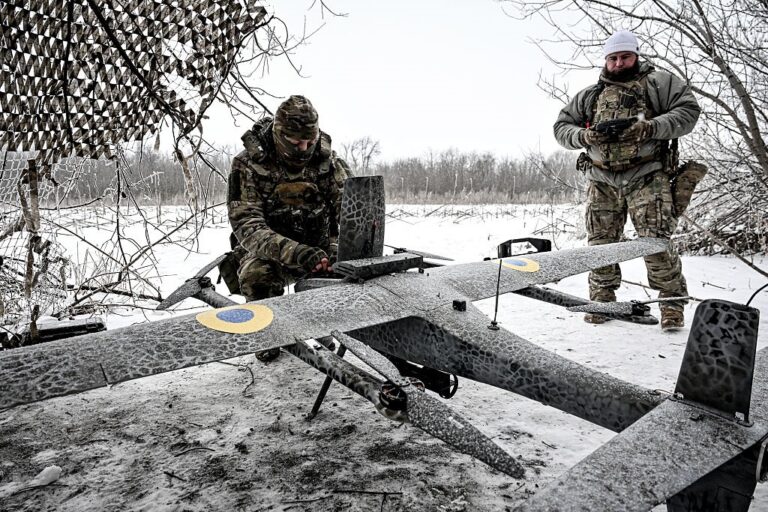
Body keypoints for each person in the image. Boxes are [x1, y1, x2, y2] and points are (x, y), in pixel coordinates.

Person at [553, 30, 701, 330]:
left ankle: (671, 306)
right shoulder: (590, 95)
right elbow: (561, 127)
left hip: (647, 175)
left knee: (655, 243)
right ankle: (602, 302)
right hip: (601, 180)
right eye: (613, 58)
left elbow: (688, 112)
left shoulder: (659, 83)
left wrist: (651, 127)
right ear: (606, 61)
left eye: (625, 56)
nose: (618, 63)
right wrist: (584, 135)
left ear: (636, 56)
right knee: (600, 245)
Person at [227, 95, 351, 358]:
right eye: (296, 143)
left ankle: (326, 329)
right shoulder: (248, 165)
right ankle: (268, 337)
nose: (304, 149)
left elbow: (350, 209)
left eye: (310, 142)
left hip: (320, 249)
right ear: (279, 134)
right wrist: (297, 253)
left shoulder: (328, 163)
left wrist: (338, 249)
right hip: (268, 254)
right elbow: (247, 225)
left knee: (347, 270)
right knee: (256, 276)